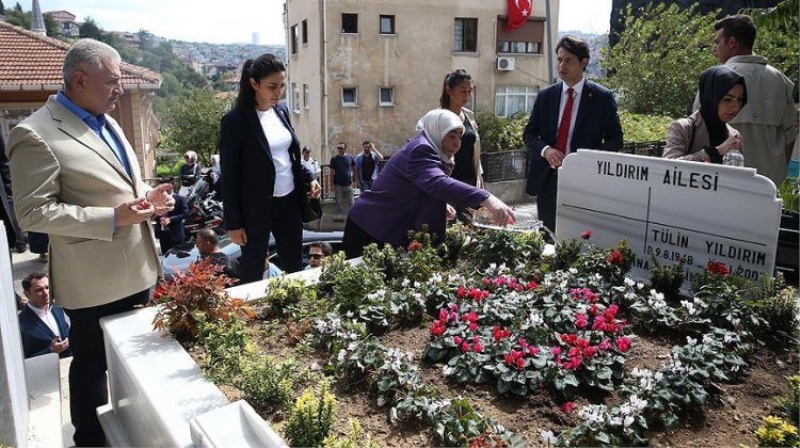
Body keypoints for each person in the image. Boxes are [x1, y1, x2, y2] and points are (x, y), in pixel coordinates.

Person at [6, 38, 174, 447]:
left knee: (136, 357)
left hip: (139, 265)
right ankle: (91, 441)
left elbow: (116, 185)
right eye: (112, 81)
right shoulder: (35, 134)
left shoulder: (106, 117)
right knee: (93, 367)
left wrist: (147, 202)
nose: (120, 89)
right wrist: (113, 218)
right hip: (95, 280)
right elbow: (32, 214)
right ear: (80, 80)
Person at [342, 109, 515, 258]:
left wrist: (440, 203)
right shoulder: (421, 149)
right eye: (451, 136)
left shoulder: (433, 150)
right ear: (437, 131)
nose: (456, 143)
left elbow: (422, 185)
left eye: (460, 137)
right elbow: (437, 182)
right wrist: (487, 198)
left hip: (385, 230)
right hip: (369, 229)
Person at [219, 53, 321, 283]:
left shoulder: (281, 111)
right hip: (256, 209)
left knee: (294, 268)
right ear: (254, 84)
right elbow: (229, 176)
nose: (279, 92)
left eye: (282, 85)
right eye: (272, 86)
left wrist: (310, 176)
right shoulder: (235, 121)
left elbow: (289, 156)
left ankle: (295, 314)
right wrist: (233, 224)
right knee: (254, 271)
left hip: (290, 204)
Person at [523, 35, 623, 232]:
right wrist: (546, 150)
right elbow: (530, 134)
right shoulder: (546, 96)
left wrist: (582, 160)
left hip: (582, 181)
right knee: (548, 240)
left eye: (568, 60)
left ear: (583, 62)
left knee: (578, 237)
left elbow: (616, 140)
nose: (562, 66)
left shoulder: (602, 98)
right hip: (548, 180)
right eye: (560, 60)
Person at [710, 14, 797, 185]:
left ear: (732, 42)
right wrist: (778, 173)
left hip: (726, 181)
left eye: (717, 42)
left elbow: (699, 131)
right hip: (769, 185)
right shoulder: (780, 79)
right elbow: (790, 135)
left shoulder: (715, 79)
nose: (715, 48)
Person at [664, 66, 747, 163]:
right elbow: (668, 165)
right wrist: (715, 152)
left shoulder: (734, 135)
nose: (735, 107)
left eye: (740, 99)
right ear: (711, 98)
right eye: (727, 100)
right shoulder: (683, 128)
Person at [18, 272, 72, 359]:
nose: (46, 293)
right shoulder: (21, 324)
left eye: (47, 288)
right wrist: (51, 350)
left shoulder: (58, 307)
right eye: (39, 290)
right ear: (27, 294)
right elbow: (23, 361)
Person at [155, 190, 188, 254]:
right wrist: (159, 217)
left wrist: (170, 219)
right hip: (162, 234)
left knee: (178, 257)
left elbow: (185, 214)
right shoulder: (157, 199)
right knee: (166, 256)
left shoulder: (180, 198)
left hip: (176, 234)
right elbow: (153, 214)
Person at [329, 142, 356, 214]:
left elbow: (354, 168)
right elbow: (331, 172)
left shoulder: (350, 157)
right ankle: (340, 217)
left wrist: (355, 179)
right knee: (338, 203)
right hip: (338, 185)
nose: (339, 149)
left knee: (352, 203)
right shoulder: (334, 159)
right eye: (338, 148)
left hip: (348, 185)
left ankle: (353, 217)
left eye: (341, 148)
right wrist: (331, 184)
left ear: (345, 149)